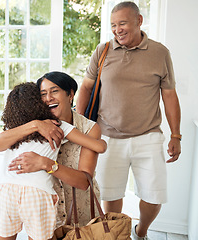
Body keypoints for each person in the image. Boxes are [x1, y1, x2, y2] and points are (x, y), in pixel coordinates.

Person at [76, 2, 181, 240]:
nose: (117, 30)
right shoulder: (102, 51)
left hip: (148, 135)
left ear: (139, 21)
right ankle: (116, 236)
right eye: (113, 25)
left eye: (122, 23)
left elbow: (170, 96)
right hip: (108, 137)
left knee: (154, 196)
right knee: (111, 194)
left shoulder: (159, 53)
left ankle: (140, 232)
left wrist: (176, 135)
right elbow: (86, 87)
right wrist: (81, 127)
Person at [0, 71, 105, 238]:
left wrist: (46, 164)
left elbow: (83, 182)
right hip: (46, 208)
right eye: (43, 94)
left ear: (70, 94)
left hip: (77, 215)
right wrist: (35, 125)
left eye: (54, 91)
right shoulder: (30, 124)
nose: (49, 97)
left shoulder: (86, 128)